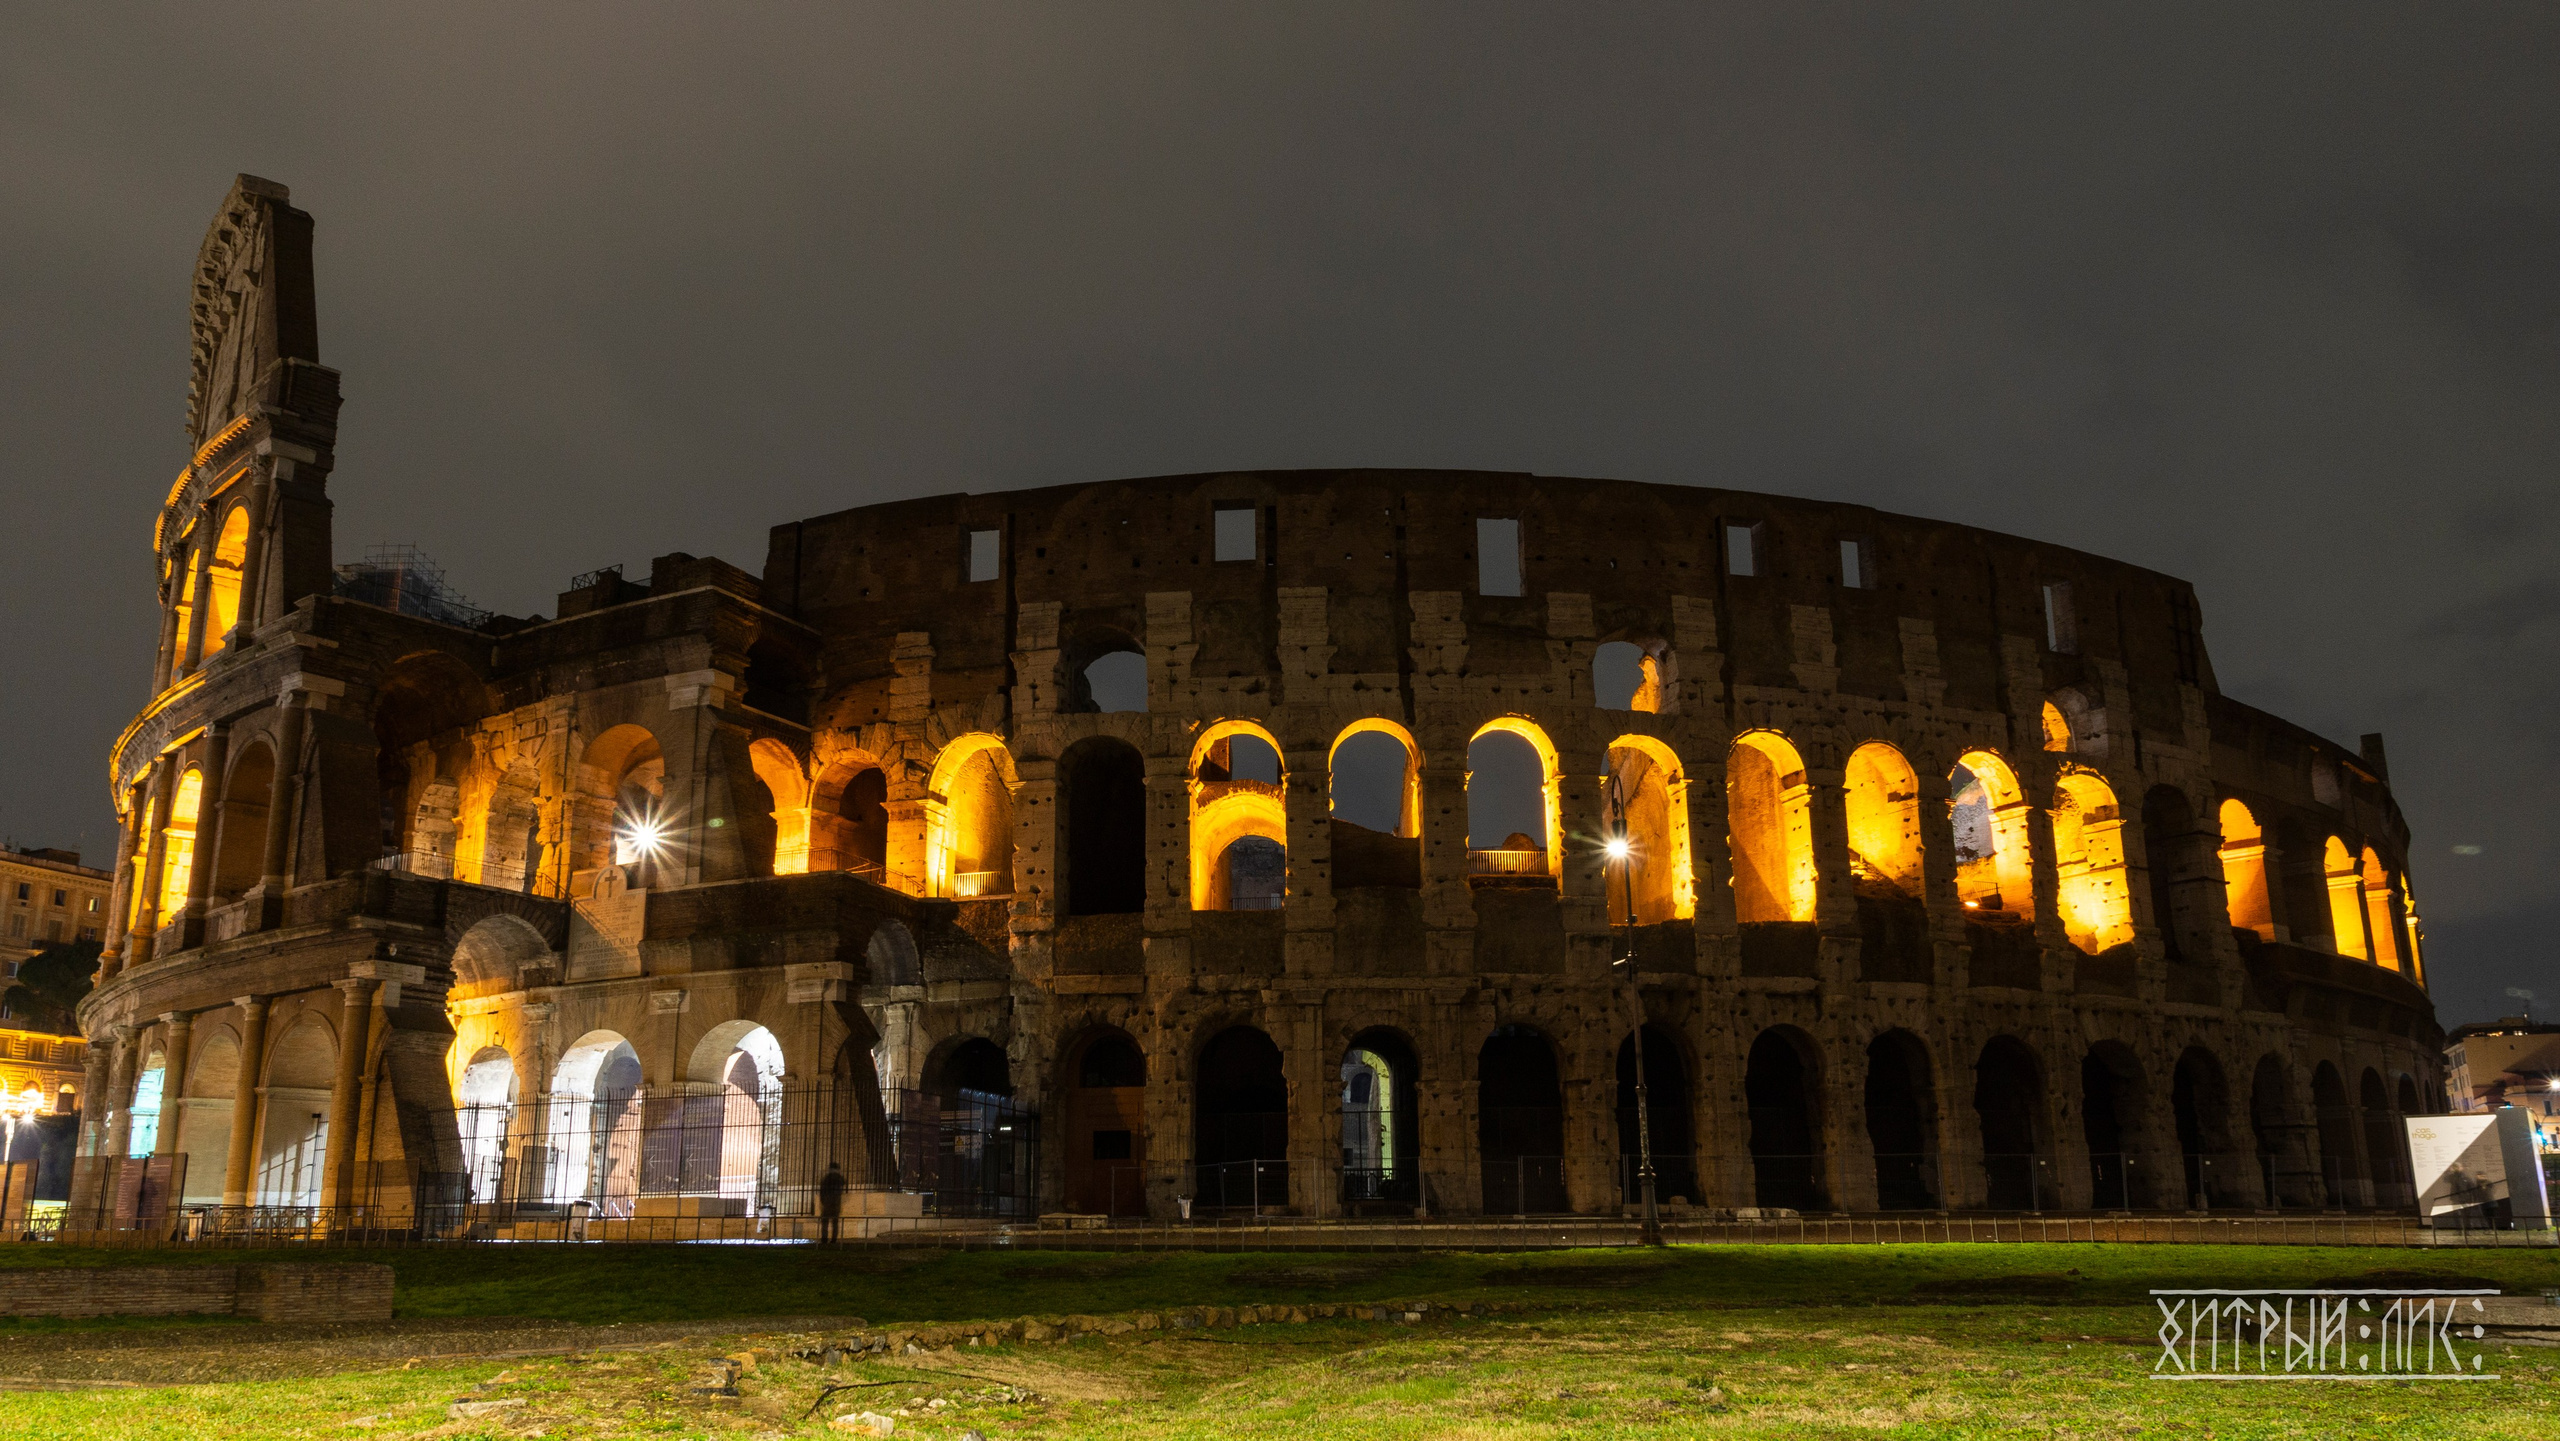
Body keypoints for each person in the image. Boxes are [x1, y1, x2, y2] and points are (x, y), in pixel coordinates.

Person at [818, 1160, 846, 1244]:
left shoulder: (827, 1178)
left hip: (827, 1201)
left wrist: (822, 1201)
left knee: (825, 1221)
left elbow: (822, 1190)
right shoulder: (839, 1178)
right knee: (835, 1222)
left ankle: (824, 1238)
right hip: (836, 1202)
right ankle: (834, 1239)